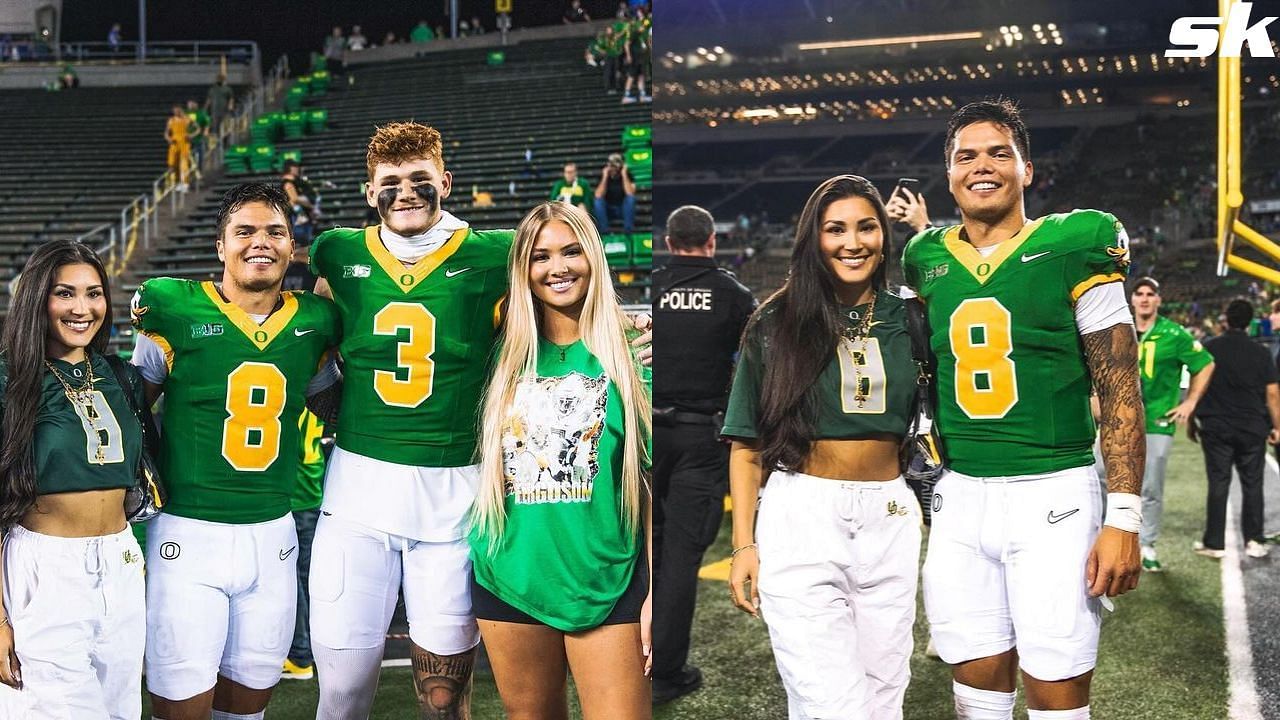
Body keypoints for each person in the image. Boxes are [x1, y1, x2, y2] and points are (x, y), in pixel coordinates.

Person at [307, 121, 651, 719]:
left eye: (420, 180)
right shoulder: (337, 252)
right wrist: (336, 405)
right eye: (390, 183)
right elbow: (312, 341)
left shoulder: (498, 254)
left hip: (455, 493)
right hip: (358, 487)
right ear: (369, 192)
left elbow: (564, 294)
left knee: (445, 696)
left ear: (446, 180)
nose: (406, 192)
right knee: (339, 690)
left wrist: (620, 330)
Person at [901, 99, 1143, 719]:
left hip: (1054, 494)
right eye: (966, 156)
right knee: (975, 691)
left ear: (1027, 169)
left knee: (1056, 693)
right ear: (949, 175)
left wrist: (1124, 517)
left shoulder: (1074, 242)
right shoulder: (924, 258)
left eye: (999, 153)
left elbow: (1118, 387)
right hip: (959, 496)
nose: (983, 166)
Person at [130, 183, 341, 720]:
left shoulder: (314, 321)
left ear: (293, 246)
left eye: (275, 232)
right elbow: (132, 414)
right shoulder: (172, 308)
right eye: (243, 231)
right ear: (220, 246)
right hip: (187, 534)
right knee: (181, 706)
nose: (260, 243)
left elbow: (334, 408)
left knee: (249, 707)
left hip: (274, 535)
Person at [725, 175, 921, 720]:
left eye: (866, 227)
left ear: (884, 235)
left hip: (891, 514)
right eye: (835, 229)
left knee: (884, 693)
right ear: (813, 238)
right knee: (835, 702)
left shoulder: (912, 316)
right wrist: (744, 545)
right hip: (803, 515)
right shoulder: (775, 321)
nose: (852, 242)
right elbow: (745, 443)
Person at [468, 202, 652, 720]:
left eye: (572, 251)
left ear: (594, 255)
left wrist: (657, 592)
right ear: (523, 269)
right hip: (509, 574)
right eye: (540, 256)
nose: (558, 267)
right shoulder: (499, 354)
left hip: (607, 578)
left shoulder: (635, 351)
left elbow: (660, 481)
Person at [0, 240, 146, 719]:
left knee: (120, 711)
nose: (83, 309)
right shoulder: (10, 378)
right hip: (45, 570)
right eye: (65, 294)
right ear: (37, 299)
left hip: (122, 562)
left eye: (94, 293)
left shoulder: (119, 374)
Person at [650, 205, 755, 705]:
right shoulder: (734, 295)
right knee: (679, 560)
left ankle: (629, 662)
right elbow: (757, 365)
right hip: (700, 439)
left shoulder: (648, 288)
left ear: (670, 242)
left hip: (645, 439)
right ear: (711, 242)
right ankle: (665, 673)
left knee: (641, 555)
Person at [1128, 277, 1214, 571]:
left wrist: (1190, 402)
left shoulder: (1174, 333)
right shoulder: (1119, 330)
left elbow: (1205, 364)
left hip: (1157, 420)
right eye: (1139, 293)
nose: (1144, 299)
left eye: (1150, 294)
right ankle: (1104, 538)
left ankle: (1147, 544)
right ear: (1132, 299)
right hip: (1119, 422)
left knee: (1150, 487)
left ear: (1158, 300)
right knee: (1101, 479)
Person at [1189, 299, 1279, 559]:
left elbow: (1198, 386)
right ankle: (1254, 540)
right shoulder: (1260, 352)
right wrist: (1277, 426)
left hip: (1216, 426)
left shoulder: (1209, 347)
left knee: (1218, 483)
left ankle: (1215, 543)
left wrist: (1193, 419)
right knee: (1253, 484)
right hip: (1252, 427)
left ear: (1225, 318)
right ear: (1250, 322)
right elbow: (1272, 393)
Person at [283, 409, 329, 681]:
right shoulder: (318, 389)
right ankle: (309, 651)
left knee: (295, 578)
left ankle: (300, 655)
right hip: (312, 486)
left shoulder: (297, 388)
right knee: (305, 576)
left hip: (297, 491)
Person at [594, 153, 636, 233]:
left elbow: (630, 193)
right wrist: (605, 177)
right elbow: (598, 195)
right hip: (608, 209)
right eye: (611, 165)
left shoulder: (628, 175)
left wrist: (624, 175)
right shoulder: (603, 176)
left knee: (630, 199)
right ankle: (604, 231)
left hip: (623, 209)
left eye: (615, 166)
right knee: (598, 202)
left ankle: (628, 231)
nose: (613, 168)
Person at [280, 160, 317, 246]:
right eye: (296, 168)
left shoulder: (296, 182)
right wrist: (310, 205)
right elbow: (294, 199)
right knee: (301, 242)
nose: (298, 170)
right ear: (292, 169)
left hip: (301, 217)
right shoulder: (288, 183)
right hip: (297, 218)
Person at [164, 104, 191, 192]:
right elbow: (166, 133)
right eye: (175, 110)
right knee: (172, 164)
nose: (176, 112)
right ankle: (175, 183)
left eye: (178, 110)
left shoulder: (186, 119)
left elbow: (197, 128)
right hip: (174, 143)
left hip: (184, 142)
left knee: (184, 164)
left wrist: (191, 135)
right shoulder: (171, 121)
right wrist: (169, 139)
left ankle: (185, 183)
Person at [205, 74, 234, 139]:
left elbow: (231, 99)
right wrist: (206, 108)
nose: (219, 80)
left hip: (225, 112)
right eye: (218, 79)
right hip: (215, 112)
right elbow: (209, 100)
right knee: (215, 128)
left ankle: (225, 142)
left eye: (221, 79)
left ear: (223, 80)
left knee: (225, 128)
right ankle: (216, 144)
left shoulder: (227, 89)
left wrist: (230, 106)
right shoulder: (212, 90)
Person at [186, 98, 211, 170]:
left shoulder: (201, 113)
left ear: (196, 104)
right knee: (188, 155)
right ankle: (189, 169)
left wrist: (206, 130)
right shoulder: (185, 113)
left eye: (192, 103)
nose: (190, 105)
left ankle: (200, 169)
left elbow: (208, 122)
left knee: (200, 155)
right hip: (188, 139)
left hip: (198, 138)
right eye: (189, 104)